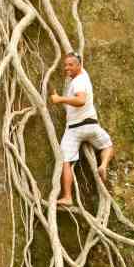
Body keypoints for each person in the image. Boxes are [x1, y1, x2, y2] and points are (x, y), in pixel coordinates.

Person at [50, 51, 114, 207]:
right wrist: (73, 57)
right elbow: (76, 63)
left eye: (70, 65)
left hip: (75, 129)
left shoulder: (78, 81)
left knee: (65, 161)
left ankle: (67, 197)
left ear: (79, 66)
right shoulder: (84, 76)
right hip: (92, 125)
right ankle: (103, 165)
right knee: (108, 145)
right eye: (65, 65)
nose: (66, 68)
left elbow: (81, 100)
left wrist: (60, 99)